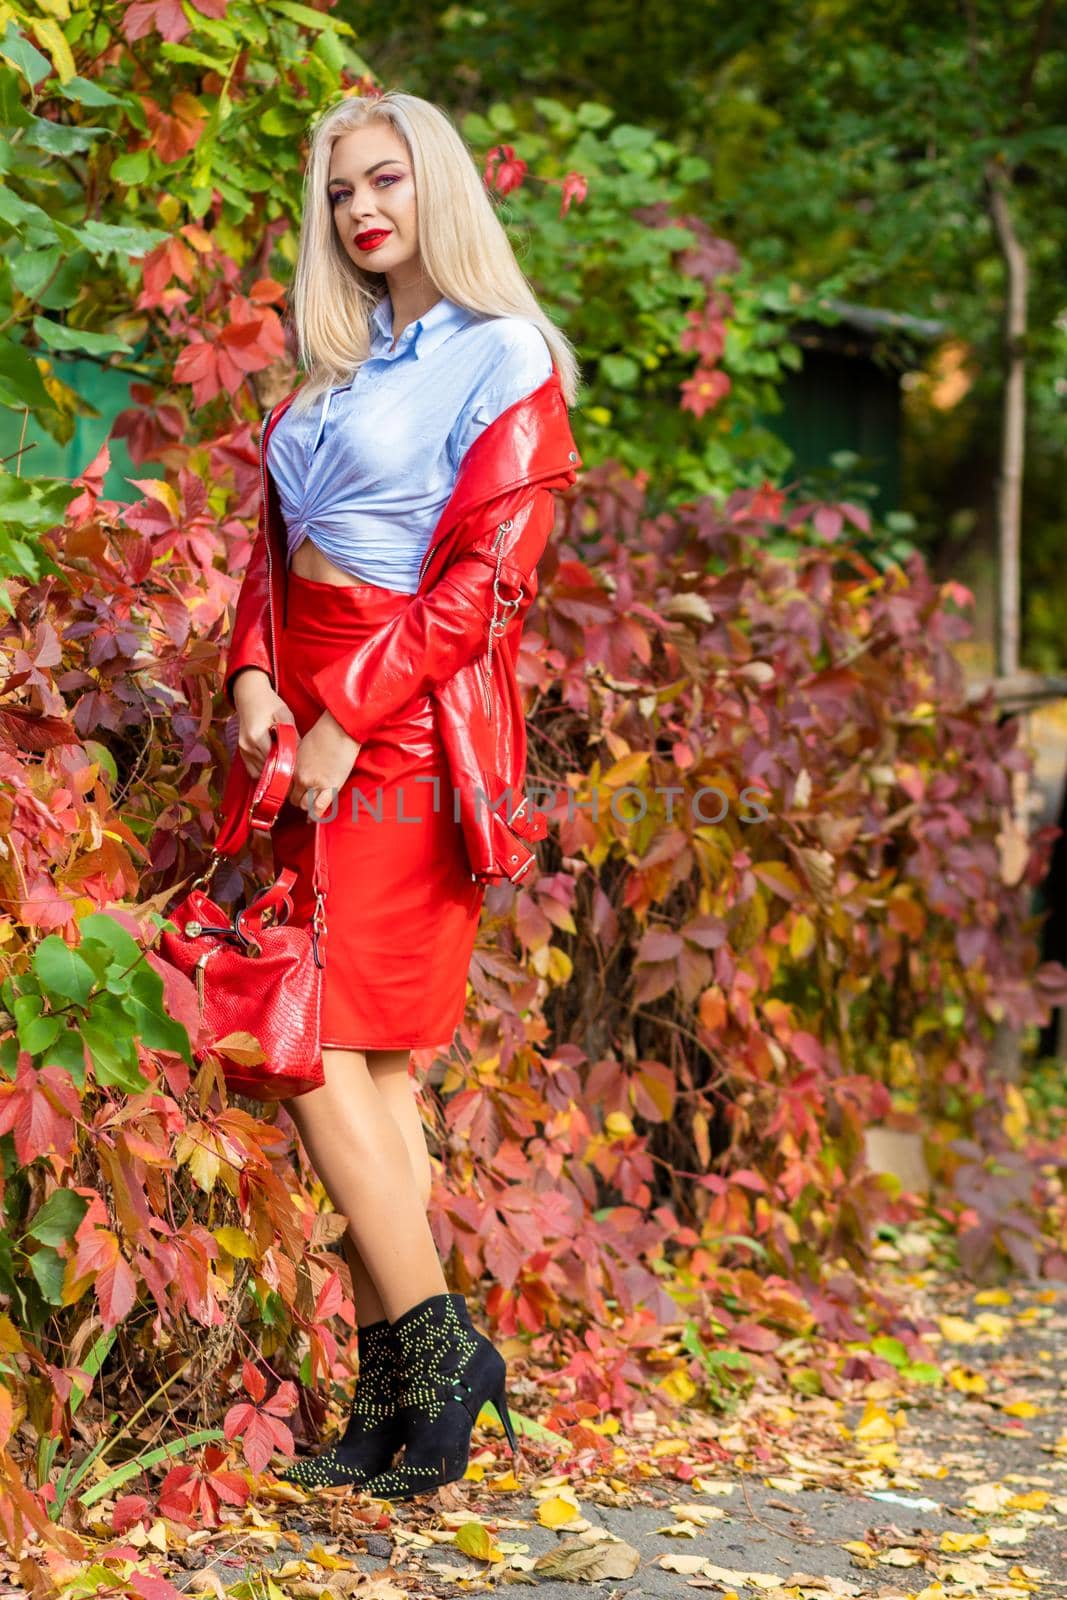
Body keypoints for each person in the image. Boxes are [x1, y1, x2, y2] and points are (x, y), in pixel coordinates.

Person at [221, 88, 582, 1500]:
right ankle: (395, 1406)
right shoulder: (341, 368)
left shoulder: (505, 358)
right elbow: (271, 554)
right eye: (339, 193)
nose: (363, 209)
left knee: (300, 1041)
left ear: (436, 183)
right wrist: (254, 680)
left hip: (406, 736)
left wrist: (345, 719)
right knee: (356, 1059)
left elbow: (491, 590)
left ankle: (441, 1358)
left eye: (386, 180)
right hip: (290, 723)